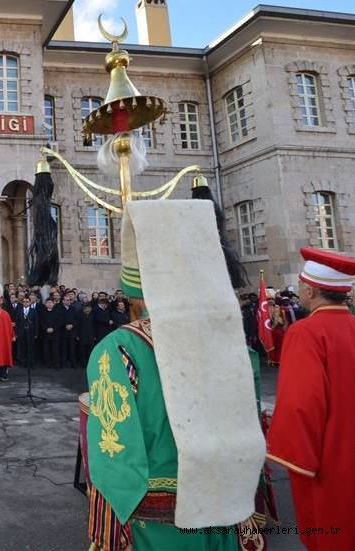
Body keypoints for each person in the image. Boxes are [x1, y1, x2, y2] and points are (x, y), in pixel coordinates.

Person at [85, 201, 265, 551]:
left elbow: (113, 452)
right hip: (225, 502)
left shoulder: (119, 347)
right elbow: (250, 420)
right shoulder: (233, 343)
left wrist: (110, 526)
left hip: (160, 521)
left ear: (132, 297)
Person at [266, 248, 355, 551]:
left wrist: (292, 453)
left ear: (310, 290)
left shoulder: (305, 332)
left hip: (330, 458)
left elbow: (300, 404)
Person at [14, 296, 38, 367]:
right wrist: (16, 333)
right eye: (24, 301)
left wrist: (36, 333)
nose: (25, 303)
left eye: (27, 301)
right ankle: (22, 362)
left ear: (30, 302)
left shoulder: (33, 311)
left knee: (31, 348)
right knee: (22, 348)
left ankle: (31, 363)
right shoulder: (19, 310)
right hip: (21, 332)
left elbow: (36, 322)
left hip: (31, 332)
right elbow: (17, 322)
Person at [58, 292, 80, 369]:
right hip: (63, 332)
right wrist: (65, 325)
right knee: (63, 349)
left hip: (72, 332)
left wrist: (72, 325)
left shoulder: (73, 309)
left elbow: (77, 319)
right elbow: (59, 320)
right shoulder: (59, 309)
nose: (68, 301)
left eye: (69, 300)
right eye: (66, 300)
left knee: (72, 349)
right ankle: (63, 364)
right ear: (63, 301)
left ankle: (73, 364)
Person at [39, 297, 60, 368]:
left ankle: (56, 364)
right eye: (48, 303)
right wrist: (46, 329)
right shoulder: (42, 312)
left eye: (51, 303)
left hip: (55, 333)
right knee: (46, 350)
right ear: (45, 304)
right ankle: (47, 364)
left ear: (53, 303)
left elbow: (59, 322)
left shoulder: (57, 312)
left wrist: (53, 328)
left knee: (55, 350)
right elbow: (41, 322)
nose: (49, 304)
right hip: (45, 334)